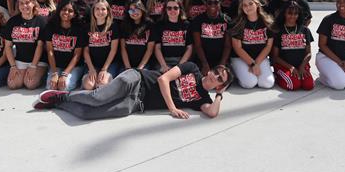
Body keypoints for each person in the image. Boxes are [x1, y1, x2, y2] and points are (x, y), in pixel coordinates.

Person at [33, 62, 233, 120]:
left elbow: (212, 112)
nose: (215, 76)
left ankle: (57, 103)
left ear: (219, 84)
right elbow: (163, 79)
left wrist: (220, 95)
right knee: (97, 97)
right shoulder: (193, 69)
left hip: (138, 104)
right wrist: (172, 108)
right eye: (216, 72)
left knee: (87, 113)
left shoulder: (203, 99)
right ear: (210, 70)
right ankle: (63, 95)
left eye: (220, 79)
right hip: (138, 79)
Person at [230, 0, 275, 89]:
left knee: (267, 83)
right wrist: (252, 64)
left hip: (260, 57)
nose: (248, 7)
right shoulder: (238, 23)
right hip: (240, 58)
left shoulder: (267, 22)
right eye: (245, 5)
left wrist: (257, 63)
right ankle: (237, 71)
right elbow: (237, 48)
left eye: (251, 4)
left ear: (257, 5)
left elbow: (268, 46)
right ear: (242, 8)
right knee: (250, 83)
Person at [4, 0, 48, 90]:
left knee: (30, 84)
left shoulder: (41, 21)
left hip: (38, 61)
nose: (24, 6)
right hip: (21, 59)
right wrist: (13, 66)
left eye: (27, 2)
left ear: (33, 3)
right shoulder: (12, 21)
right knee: (13, 84)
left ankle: (43, 74)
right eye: (21, 3)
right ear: (18, 5)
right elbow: (8, 46)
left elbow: (40, 46)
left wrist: (33, 66)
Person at [271, 1, 314, 91]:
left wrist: (302, 67)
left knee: (309, 85)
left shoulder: (305, 30)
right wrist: (291, 68)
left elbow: (309, 53)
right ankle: (278, 76)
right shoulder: (278, 31)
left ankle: (298, 74)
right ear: (284, 14)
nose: (293, 16)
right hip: (284, 66)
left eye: (295, 14)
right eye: (290, 13)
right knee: (293, 85)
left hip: (301, 65)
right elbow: (275, 57)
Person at [43, 0, 84, 91]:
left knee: (64, 86)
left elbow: (77, 56)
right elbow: (50, 51)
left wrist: (65, 74)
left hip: (74, 66)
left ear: (74, 14)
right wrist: (54, 73)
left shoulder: (79, 29)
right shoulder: (51, 26)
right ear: (59, 11)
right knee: (51, 86)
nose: (66, 12)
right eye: (64, 9)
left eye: (70, 11)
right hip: (56, 65)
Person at [81, 0, 120, 90]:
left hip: (110, 64)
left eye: (103, 9)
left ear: (108, 11)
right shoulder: (87, 27)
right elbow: (86, 51)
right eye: (97, 9)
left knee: (102, 84)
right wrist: (91, 68)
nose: (100, 12)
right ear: (93, 11)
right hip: (93, 64)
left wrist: (104, 69)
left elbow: (113, 50)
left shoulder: (113, 26)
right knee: (89, 85)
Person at [191, 0, 232, 75]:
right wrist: (205, 64)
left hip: (220, 60)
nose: (213, 5)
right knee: (201, 82)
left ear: (220, 3)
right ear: (206, 4)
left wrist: (222, 64)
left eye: (216, 2)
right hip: (202, 60)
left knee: (222, 83)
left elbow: (227, 45)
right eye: (209, 2)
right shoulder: (198, 20)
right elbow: (198, 45)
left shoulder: (226, 20)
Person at [153, 0, 193, 73]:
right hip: (163, 61)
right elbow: (157, 48)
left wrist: (180, 66)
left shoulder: (186, 25)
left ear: (180, 9)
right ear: (165, 10)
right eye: (169, 8)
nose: (172, 10)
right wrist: (163, 65)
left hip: (181, 60)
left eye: (175, 8)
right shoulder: (159, 25)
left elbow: (189, 48)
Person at [120, 0, 155, 70]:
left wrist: (139, 68)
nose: (134, 12)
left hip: (145, 64)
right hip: (127, 64)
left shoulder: (150, 25)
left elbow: (149, 50)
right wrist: (127, 67)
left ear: (142, 9)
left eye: (136, 9)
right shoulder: (124, 25)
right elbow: (123, 48)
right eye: (131, 10)